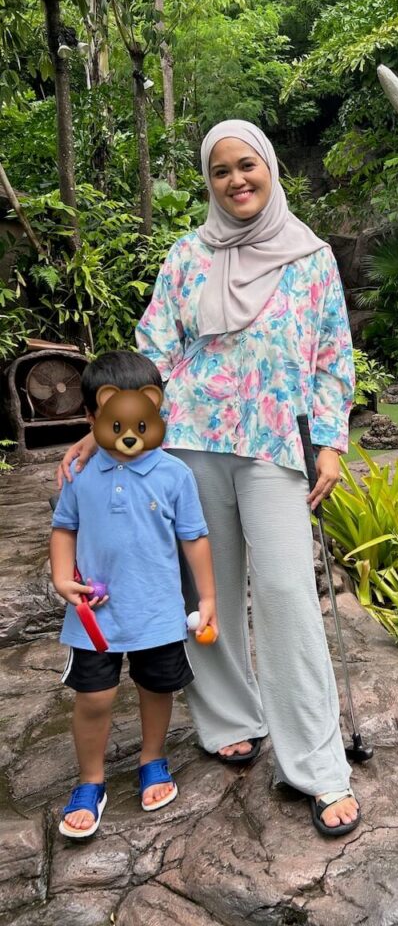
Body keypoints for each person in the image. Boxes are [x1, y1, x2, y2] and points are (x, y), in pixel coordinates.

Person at [58, 120, 360, 837]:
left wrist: (332, 443)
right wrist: (98, 424)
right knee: (204, 590)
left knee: (287, 593)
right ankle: (230, 717)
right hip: (189, 444)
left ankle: (317, 765)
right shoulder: (187, 256)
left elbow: (331, 357)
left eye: (246, 166)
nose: (235, 181)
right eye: (220, 171)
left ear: (271, 168)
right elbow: (152, 351)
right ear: (209, 182)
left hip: (271, 446)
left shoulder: (311, 257)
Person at [52, 351, 217, 839]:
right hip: (94, 617)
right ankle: (91, 781)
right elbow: (63, 528)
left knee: (156, 687)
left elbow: (195, 537)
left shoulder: (173, 475)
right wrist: (63, 577)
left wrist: (207, 599)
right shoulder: (81, 475)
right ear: (91, 418)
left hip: (157, 612)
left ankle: (152, 758)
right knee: (95, 696)